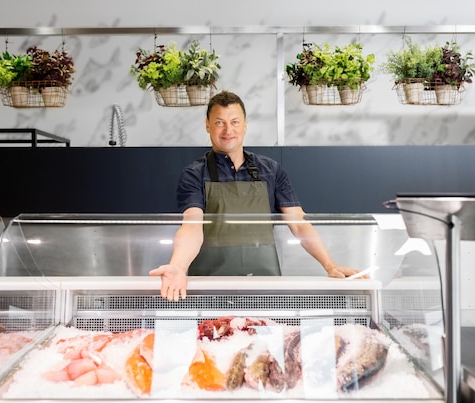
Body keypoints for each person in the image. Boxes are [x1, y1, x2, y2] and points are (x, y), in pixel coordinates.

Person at [150, 91, 363, 301]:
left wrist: (330, 265)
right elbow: (191, 227)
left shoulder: (271, 170)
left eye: (234, 122)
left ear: (245, 124)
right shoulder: (195, 174)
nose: (228, 130)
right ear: (207, 125)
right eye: (219, 123)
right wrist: (178, 267)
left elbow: (299, 224)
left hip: (264, 288)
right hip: (211, 289)